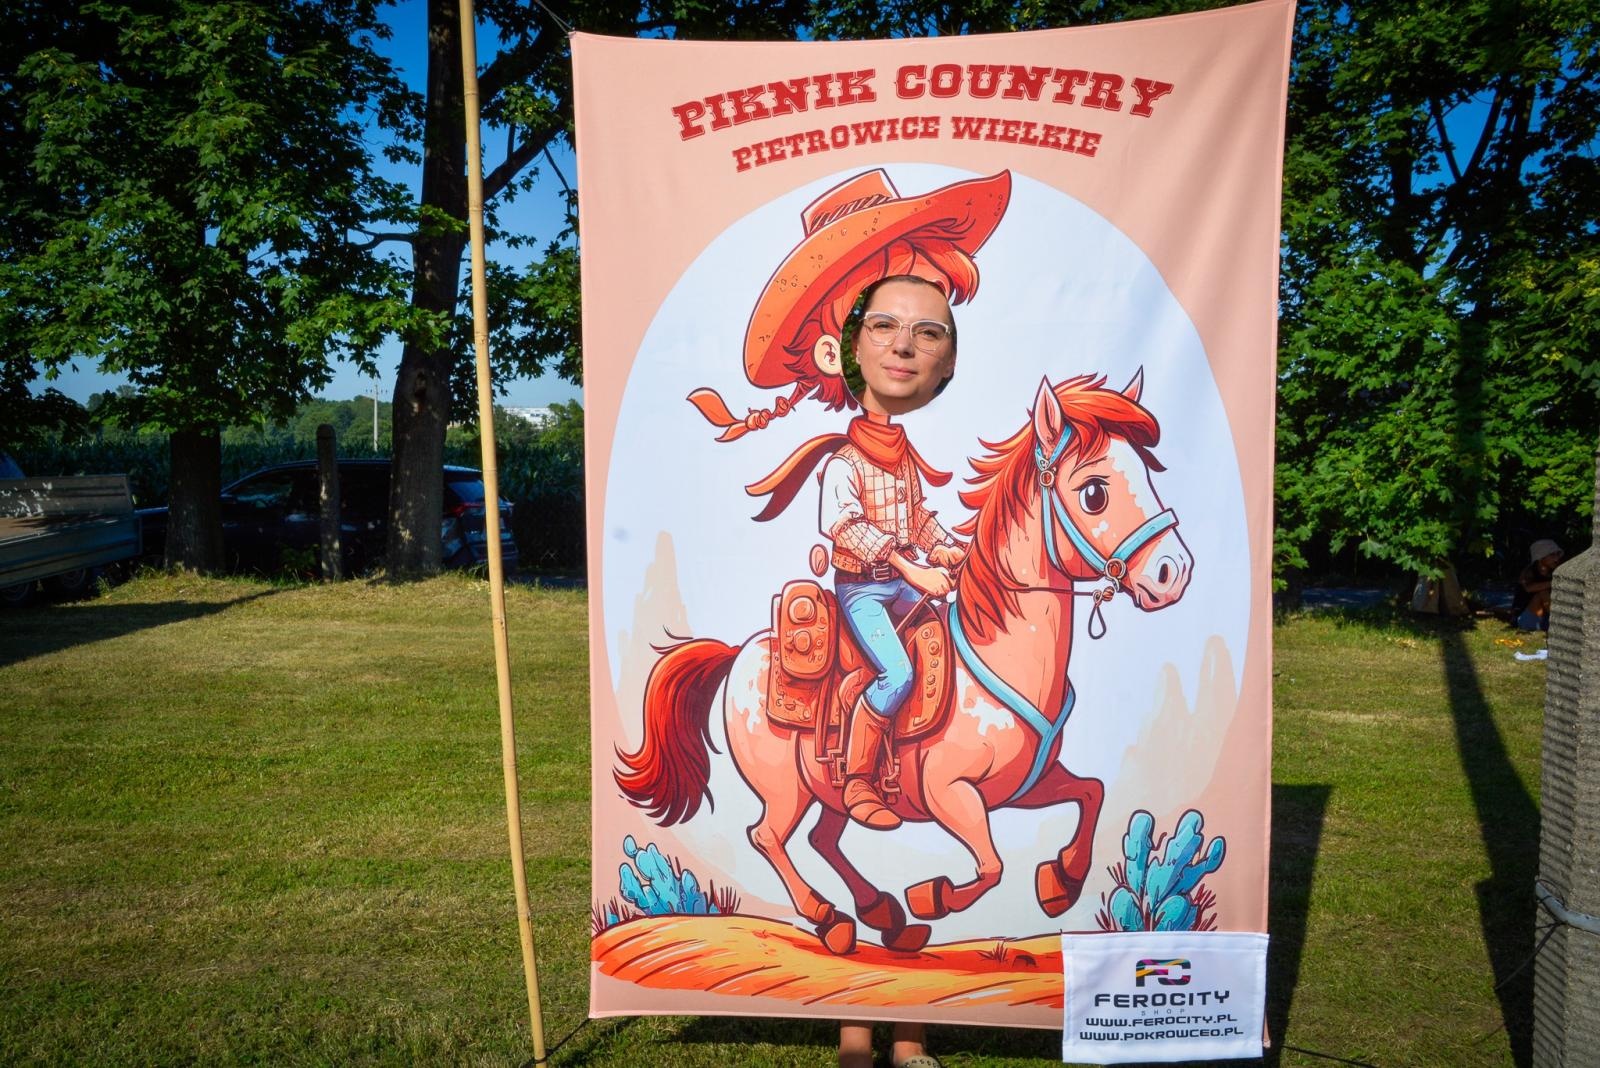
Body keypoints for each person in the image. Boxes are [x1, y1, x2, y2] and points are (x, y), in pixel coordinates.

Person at [820, 275, 967, 832]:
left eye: (927, 334)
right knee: (899, 673)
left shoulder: (901, 460)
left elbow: (916, 517)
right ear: (855, 347)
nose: (904, 346)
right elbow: (845, 524)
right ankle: (857, 779)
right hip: (863, 590)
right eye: (883, 327)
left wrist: (947, 549)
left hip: (904, 583)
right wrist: (911, 567)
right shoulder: (844, 462)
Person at [1512, 538, 1564, 630]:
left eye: (1557, 554)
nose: (1556, 558)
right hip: (1524, 619)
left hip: (1544, 618)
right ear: (1540, 557)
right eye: (1552, 555)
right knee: (1542, 592)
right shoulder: (1528, 572)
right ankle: (1560, 623)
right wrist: (1556, 583)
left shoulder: (1556, 571)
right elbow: (1529, 588)